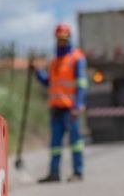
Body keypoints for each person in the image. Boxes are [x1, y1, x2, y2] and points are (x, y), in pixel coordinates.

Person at [34, 23, 87, 182]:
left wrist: (77, 105)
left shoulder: (76, 58)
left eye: (64, 39)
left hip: (70, 110)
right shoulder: (55, 61)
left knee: (75, 143)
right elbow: (49, 82)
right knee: (55, 145)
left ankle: (78, 172)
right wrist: (38, 72)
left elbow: (81, 84)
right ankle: (54, 173)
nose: (61, 42)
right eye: (59, 39)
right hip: (56, 109)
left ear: (69, 39)